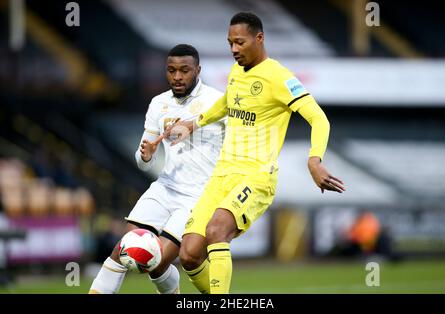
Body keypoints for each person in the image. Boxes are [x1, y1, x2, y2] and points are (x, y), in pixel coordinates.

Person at [164, 12, 345, 294]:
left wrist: (314, 159)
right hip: (222, 174)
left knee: (216, 231)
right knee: (188, 254)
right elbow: (228, 103)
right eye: (230, 43)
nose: (234, 49)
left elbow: (319, 118)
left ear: (259, 38)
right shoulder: (237, 71)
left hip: (256, 175)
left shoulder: (279, 77)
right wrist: (194, 123)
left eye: (239, 42)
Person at [89, 44, 225, 294]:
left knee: (157, 260)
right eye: (171, 70)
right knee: (123, 250)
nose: (177, 76)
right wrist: (146, 155)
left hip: (197, 196)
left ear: (198, 70)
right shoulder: (158, 103)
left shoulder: (216, 101)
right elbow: (144, 159)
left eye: (184, 70)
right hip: (165, 188)